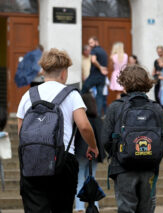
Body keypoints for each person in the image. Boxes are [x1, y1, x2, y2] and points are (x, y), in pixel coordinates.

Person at [17, 48, 99, 213]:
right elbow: (83, 126)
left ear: (43, 71)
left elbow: (21, 132)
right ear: (64, 73)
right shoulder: (71, 95)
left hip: (32, 160)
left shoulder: (28, 95)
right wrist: (93, 146)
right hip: (63, 159)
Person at [102, 65, 163, 213]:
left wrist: (119, 155)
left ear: (124, 83)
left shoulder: (115, 107)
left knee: (126, 207)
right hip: (149, 167)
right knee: (147, 209)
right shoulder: (156, 108)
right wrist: (152, 157)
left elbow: (105, 139)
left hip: (123, 167)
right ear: (146, 82)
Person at [74, 93, 105, 213]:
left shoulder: (80, 119)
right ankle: (94, 205)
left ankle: (80, 207)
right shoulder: (98, 120)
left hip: (80, 153)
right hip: (95, 153)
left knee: (79, 179)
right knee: (92, 178)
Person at [81, 36, 108, 117]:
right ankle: (98, 115)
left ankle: (79, 113)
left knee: (82, 91)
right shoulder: (103, 51)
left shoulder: (94, 50)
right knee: (99, 97)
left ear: (96, 42)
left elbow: (93, 60)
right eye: (89, 43)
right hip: (102, 78)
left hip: (94, 77)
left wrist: (100, 68)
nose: (90, 45)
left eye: (91, 43)